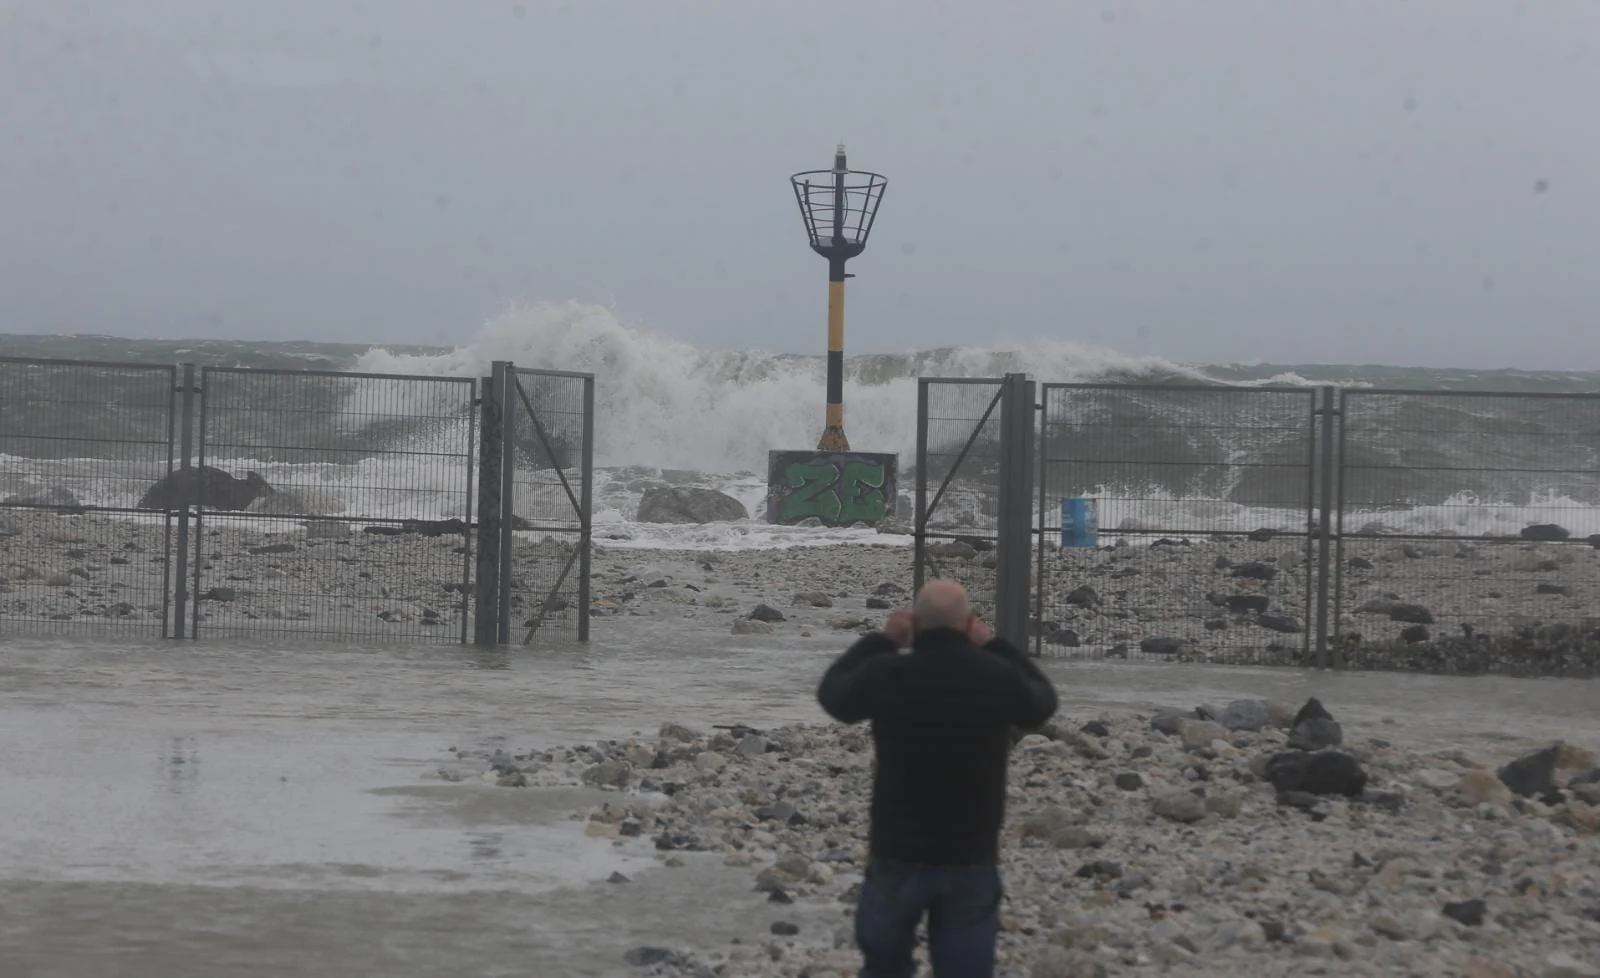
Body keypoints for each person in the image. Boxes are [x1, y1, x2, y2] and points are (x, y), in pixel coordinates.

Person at [816, 579, 1059, 978]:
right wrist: (996, 645)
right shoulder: (995, 675)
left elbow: (833, 695)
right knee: (966, 966)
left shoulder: (889, 671)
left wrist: (881, 641)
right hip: (970, 850)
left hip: (898, 848)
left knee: (884, 963)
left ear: (913, 622)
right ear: (968, 625)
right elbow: (1041, 702)